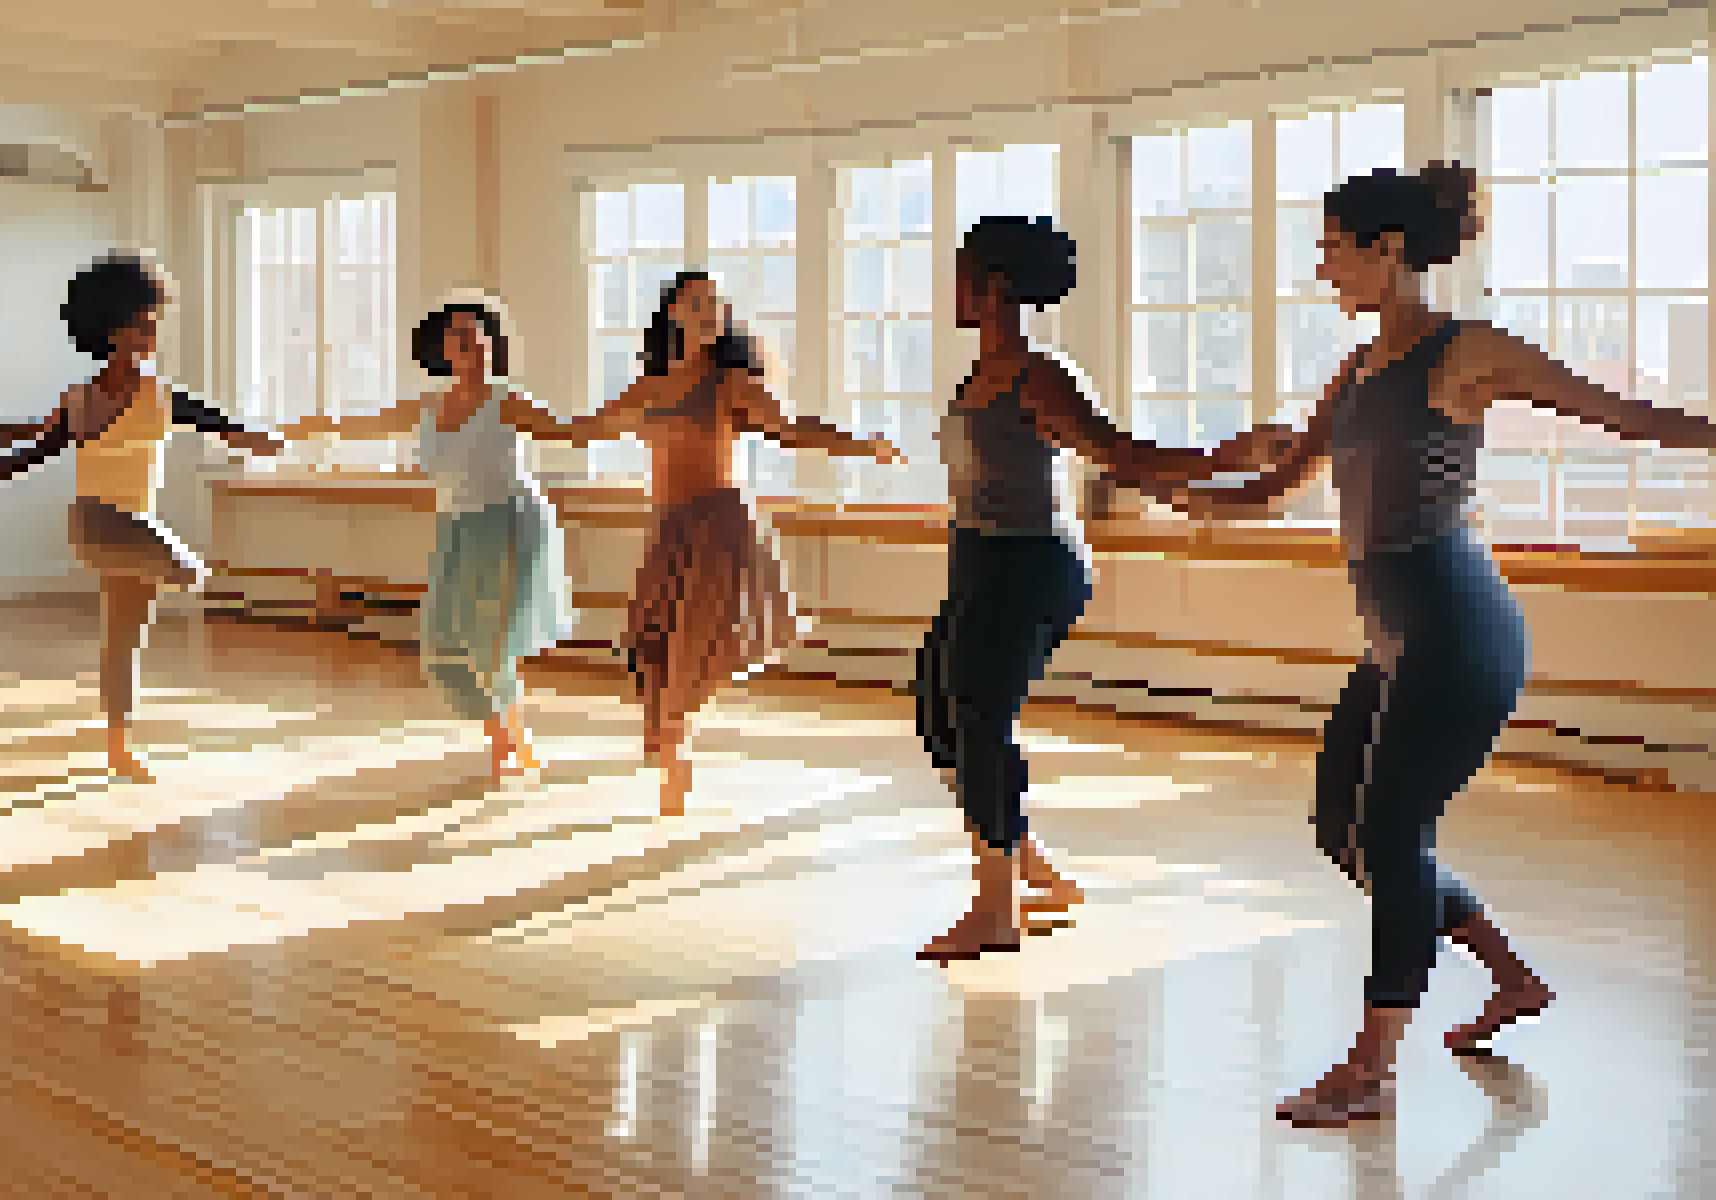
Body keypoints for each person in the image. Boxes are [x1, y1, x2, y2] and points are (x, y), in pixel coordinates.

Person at [1141, 162, 1716, 1127]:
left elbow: (1624, 415)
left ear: (1388, 250)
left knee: (1393, 833)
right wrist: (1182, 488)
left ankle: (1368, 1070)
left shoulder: (1467, 350)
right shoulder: (1358, 367)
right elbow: (1280, 482)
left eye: (1333, 250)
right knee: (1343, 830)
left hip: (1458, 627)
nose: (1323, 270)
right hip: (1394, 642)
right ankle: (1511, 980)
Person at [913, 216, 1277, 962]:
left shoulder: (1039, 374)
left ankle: (996, 908)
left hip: (1030, 563)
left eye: (961, 271)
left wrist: (1220, 460)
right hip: (978, 560)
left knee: (980, 722)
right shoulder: (978, 374)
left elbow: (1117, 453)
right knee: (938, 719)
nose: (950, 284)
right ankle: (1035, 873)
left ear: (995, 285)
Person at [526, 270, 903, 815]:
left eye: (716, 305)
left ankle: (676, 749)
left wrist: (862, 444)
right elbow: (582, 427)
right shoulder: (650, 388)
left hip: (721, 528)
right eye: (696, 303)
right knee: (651, 643)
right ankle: (669, 737)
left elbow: (792, 429)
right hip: (669, 530)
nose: (709, 312)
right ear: (673, 313)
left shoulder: (732, 384)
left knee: (695, 643)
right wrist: (509, 415)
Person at [0, 252, 283, 780]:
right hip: (106, 524)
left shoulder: (159, 398)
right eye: (140, 327)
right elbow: (21, 458)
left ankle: (119, 748)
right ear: (109, 330)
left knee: (124, 640)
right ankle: (125, 736)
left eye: (154, 326)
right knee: (194, 574)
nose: (151, 337)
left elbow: (228, 429)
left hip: (117, 531)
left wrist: (272, 439)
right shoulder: (97, 399)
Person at [278, 298, 575, 778]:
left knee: (494, 646)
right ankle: (513, 736)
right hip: (458, 529)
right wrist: (316, 426)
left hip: (512, 525)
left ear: (490, 344)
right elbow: (367, 424)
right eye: (459, 337)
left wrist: (641, 412)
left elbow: (574, 433)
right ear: (444, 350)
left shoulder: (508, 401)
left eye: (479, 334)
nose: (472, 343)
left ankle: (504, 745)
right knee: (442, 645)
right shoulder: (429, 404)